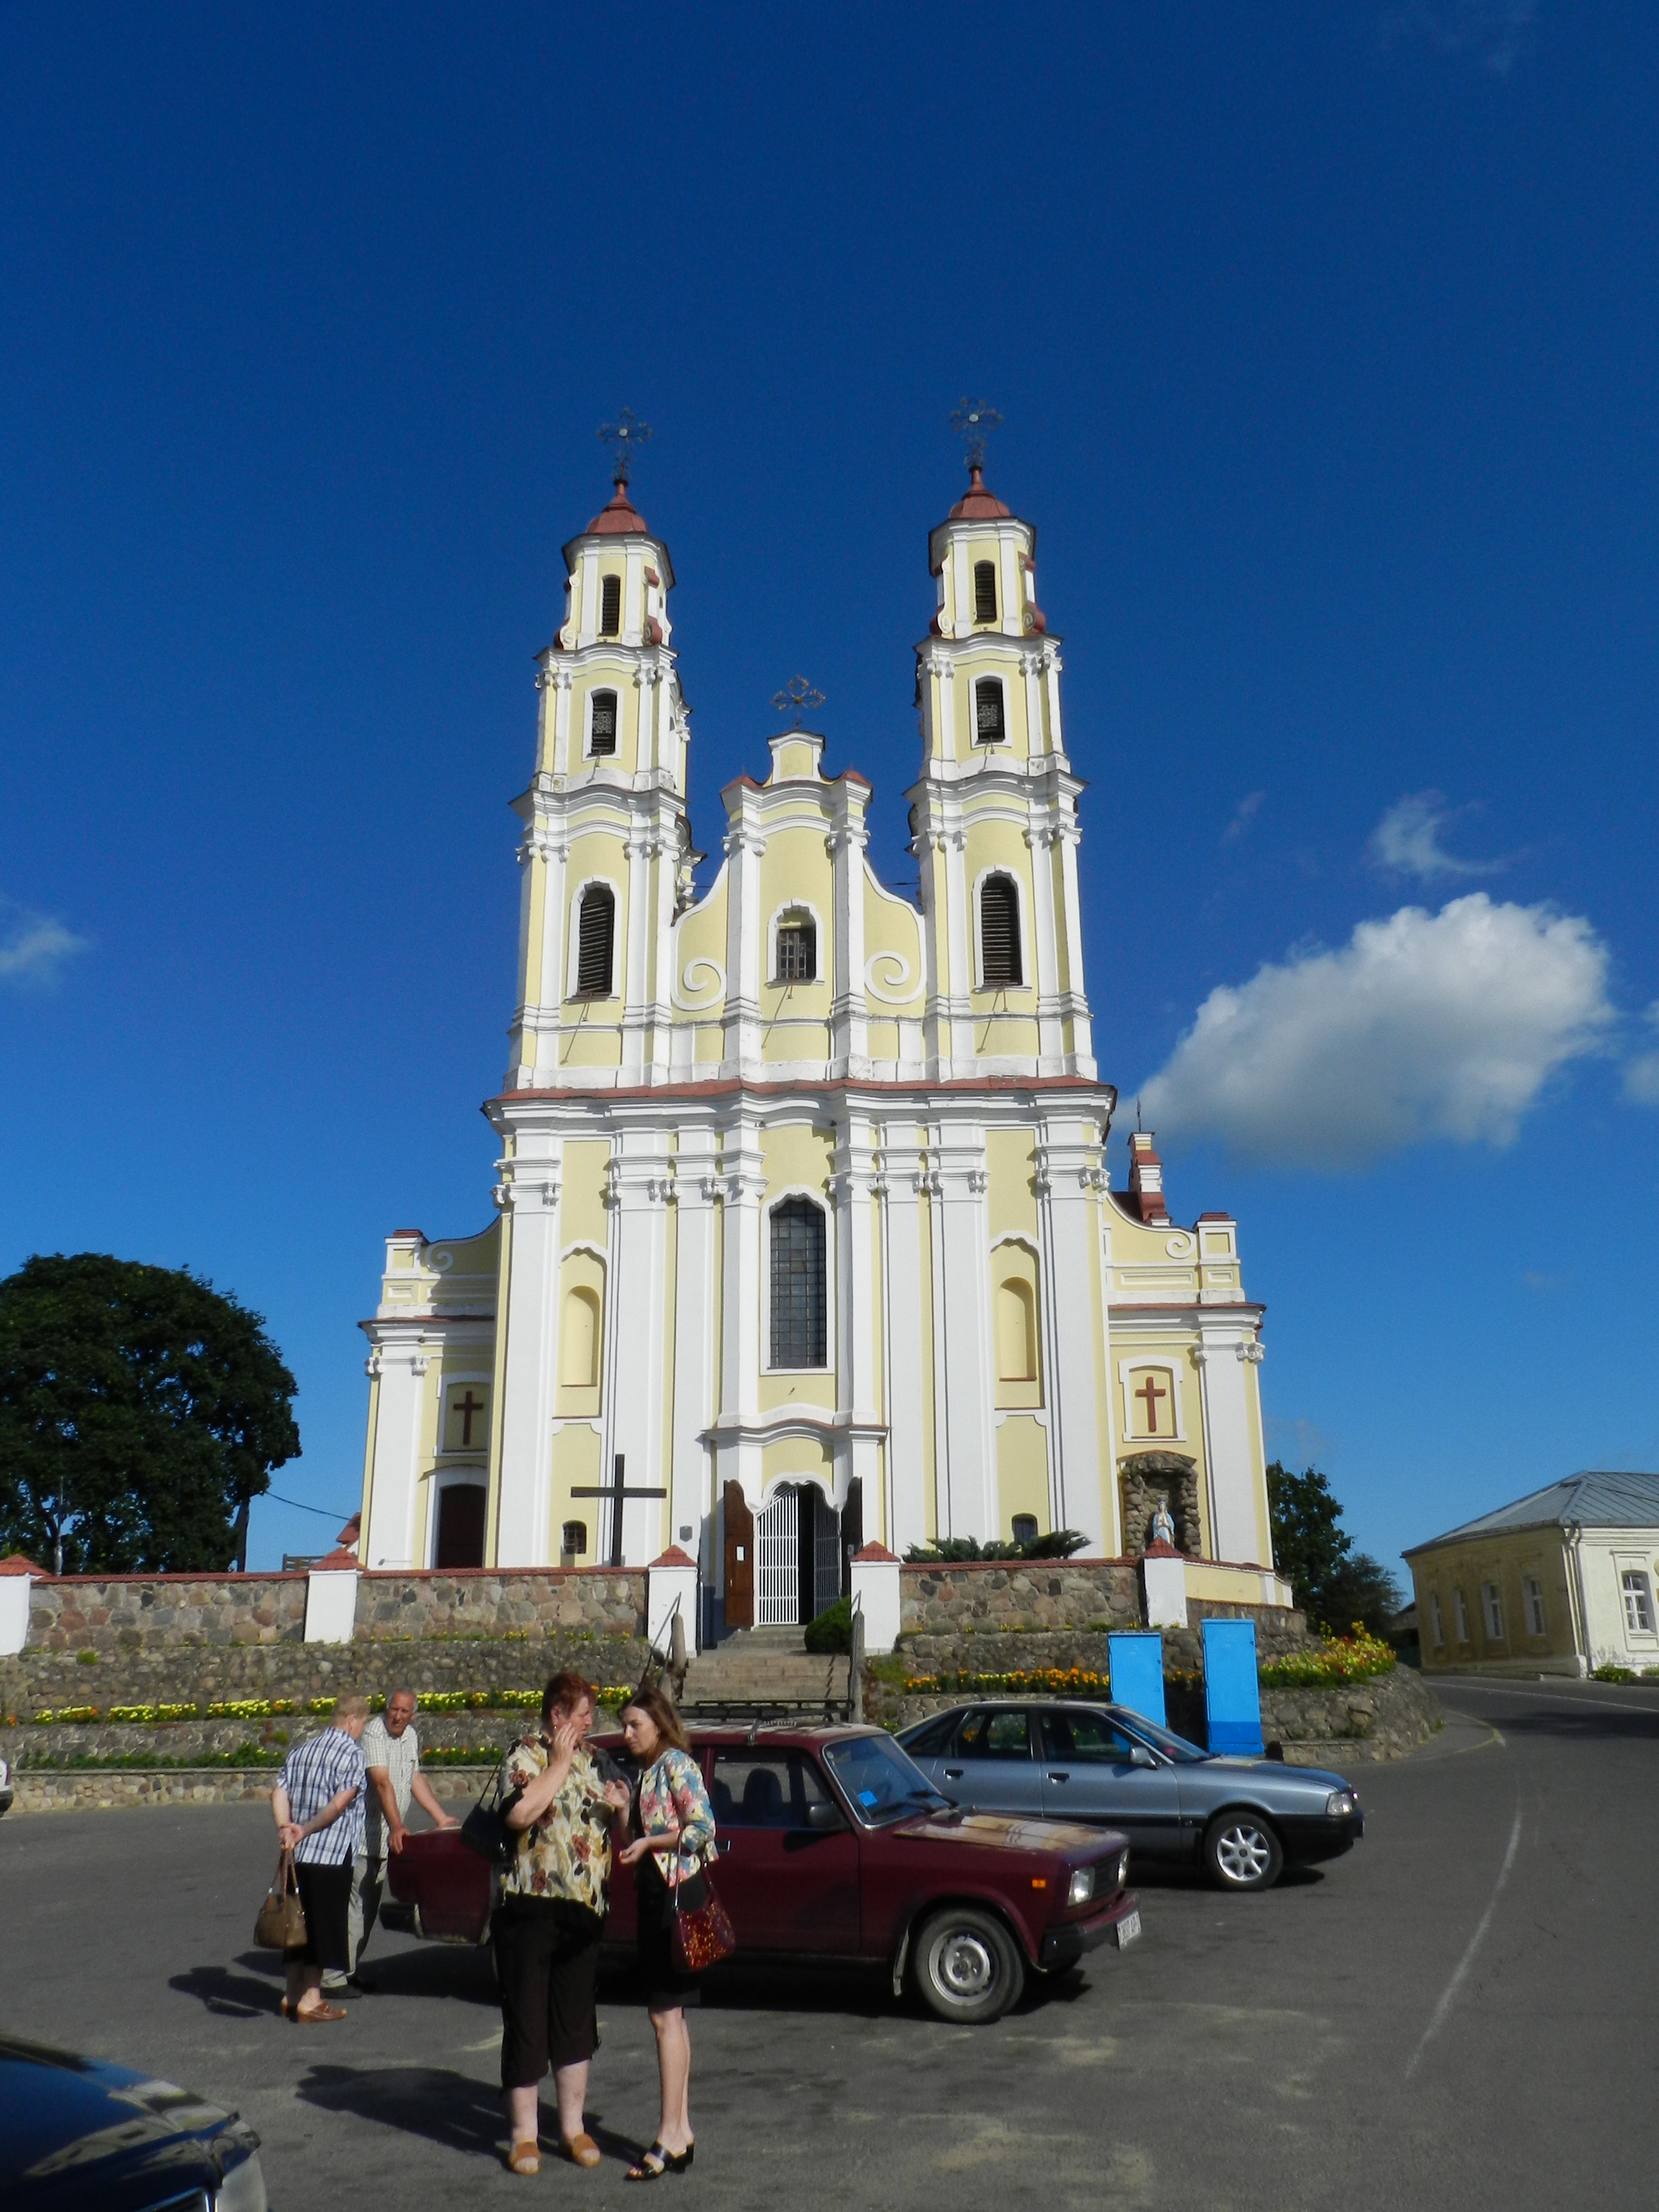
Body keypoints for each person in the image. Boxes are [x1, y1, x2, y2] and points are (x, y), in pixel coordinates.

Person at [493, 1670, 631, 2178]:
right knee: (528, 2021)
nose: (590, 1721)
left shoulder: (596, 1762)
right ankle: (523, 2135)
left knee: (575, 2023)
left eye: (590, 1713)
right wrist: (558, 1762)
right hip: (530, 1907)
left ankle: (572, 2127)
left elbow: (619, 1832)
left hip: (585, 1910)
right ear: (557, 1717)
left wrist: (621, 1811)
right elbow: (520, 1813)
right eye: (581, 1713)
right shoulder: (526, 1753)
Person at [616, 1683, 717, 2182]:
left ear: (659, 1723)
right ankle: (679, 2131)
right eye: (625, 1724)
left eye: (635, 1724)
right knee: (671, 2018)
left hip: (678, 1898)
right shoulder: (645, 1773)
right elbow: (632, 1844)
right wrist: (620, 1810)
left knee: (665, 2017)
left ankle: (670, 2133)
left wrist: (651, 1840)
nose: (627, 1733)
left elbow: (702, 1828)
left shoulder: (676, 1765)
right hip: (658, 1896)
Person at [326, 1686, 458, 1996]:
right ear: (386, 1709)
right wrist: (398, 1825)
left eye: (404, 1711)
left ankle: (348, 1970)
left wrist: (440, 1817)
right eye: (394, 1709)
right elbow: (381, 1781)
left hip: (385, 1842)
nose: (398, 1716)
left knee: (367, 1911)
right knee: (354, 1911)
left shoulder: (410, 1736)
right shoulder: (373, 1734)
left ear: (413, 1715)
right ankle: (332, 1978)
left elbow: (413, 1778)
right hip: (361, 1838)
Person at [271, 1692, 369, 2024]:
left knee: (295, 1924)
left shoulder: (301, 1751)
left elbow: (279, 1790)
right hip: (330, 1853)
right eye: (363, 1724)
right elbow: (341, 1803)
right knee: (322, 1928)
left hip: (296, 1856)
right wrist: (307, 1828)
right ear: (354, 1720)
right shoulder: (352, 1755)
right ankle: (311, 1999)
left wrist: (286, 1827)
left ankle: (291, 1993)